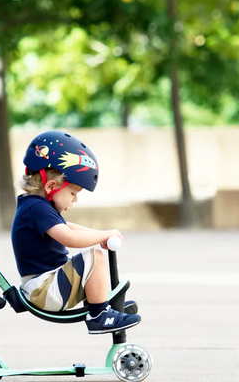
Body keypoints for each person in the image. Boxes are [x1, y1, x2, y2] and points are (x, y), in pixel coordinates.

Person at [10, 131, 141, 334]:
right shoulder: (36, 208)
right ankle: (99, 315)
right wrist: (103, 237)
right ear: (51, 186)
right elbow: (69, 238)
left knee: (91, 259)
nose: (75, 200)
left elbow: (68, 227)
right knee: (94, 257)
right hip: (43, 290)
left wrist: (103, 234)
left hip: (45, 286)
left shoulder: (37, 207)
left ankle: (100, 304)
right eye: (73, 193)